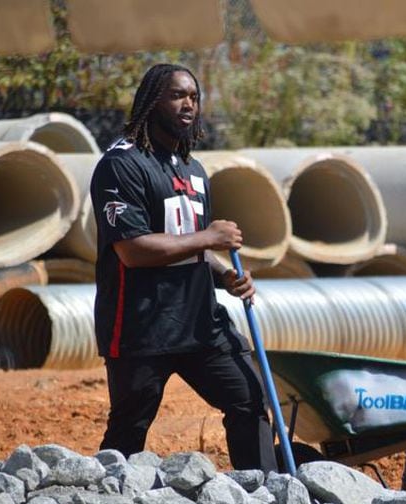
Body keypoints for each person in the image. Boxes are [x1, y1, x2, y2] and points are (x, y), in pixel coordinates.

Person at [89, 63, 278, 472]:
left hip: (199, 324)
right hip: (141, 328)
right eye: (177, 95)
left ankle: (264, 495)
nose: (188, 104)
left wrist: (226, 275)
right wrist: (209, 237)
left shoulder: (192, 170)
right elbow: (134, 250)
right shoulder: (120, 165)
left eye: (193, 96)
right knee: (128, 429)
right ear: (152, 100)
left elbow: (189, 245)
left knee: (250, 399)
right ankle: (101, 503)